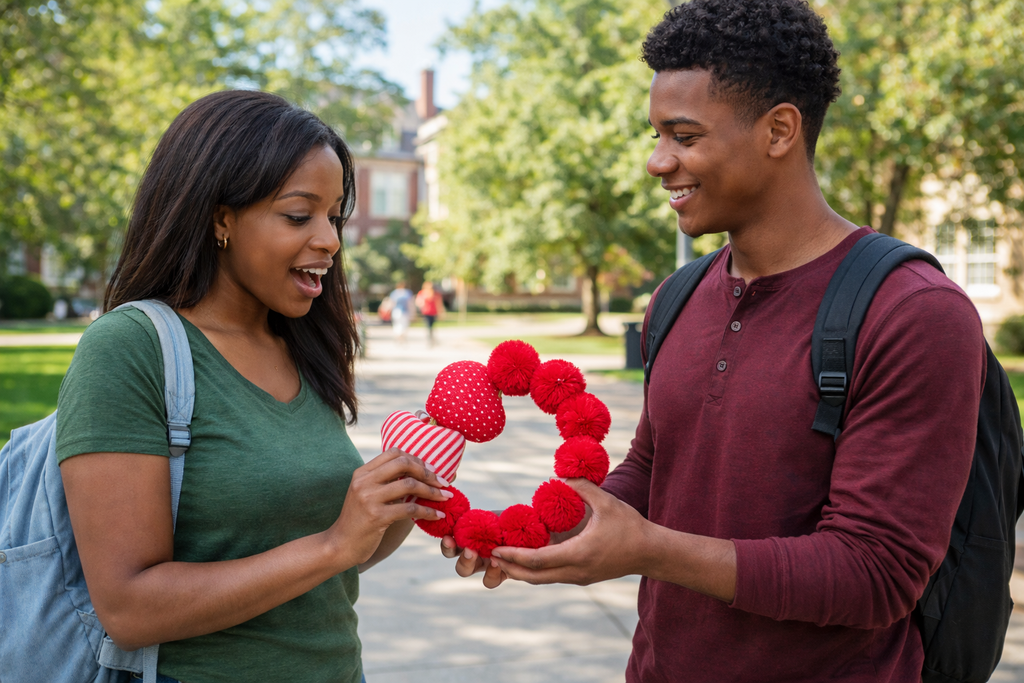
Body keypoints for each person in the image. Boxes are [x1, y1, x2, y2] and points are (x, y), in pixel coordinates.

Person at [442, 1, 985, 680]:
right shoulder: (677, 296)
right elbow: (653, 468)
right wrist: (553, 529)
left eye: (684, 136)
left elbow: (876, 572)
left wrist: (647, 548)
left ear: (779, 130)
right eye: (656, 135)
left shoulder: (914, 312)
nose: (657, 162)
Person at [57, 90, 452, 683]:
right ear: (220, 217)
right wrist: (335, 544)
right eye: (299, 215)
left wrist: (398, 502)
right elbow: (128, 609)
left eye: (334, 214)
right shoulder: (128, 349)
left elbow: (335, 561)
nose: (331, 240)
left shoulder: (301, 344)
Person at [415, 281, 444, 346]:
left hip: (433, 312)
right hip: (426, 312)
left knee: (432, 326)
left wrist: (441, 312)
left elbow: (439, 304)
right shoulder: (422, 293)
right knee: (428, 326)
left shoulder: (436, 294)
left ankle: (432, 338)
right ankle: (430, 339)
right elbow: (418, 302)